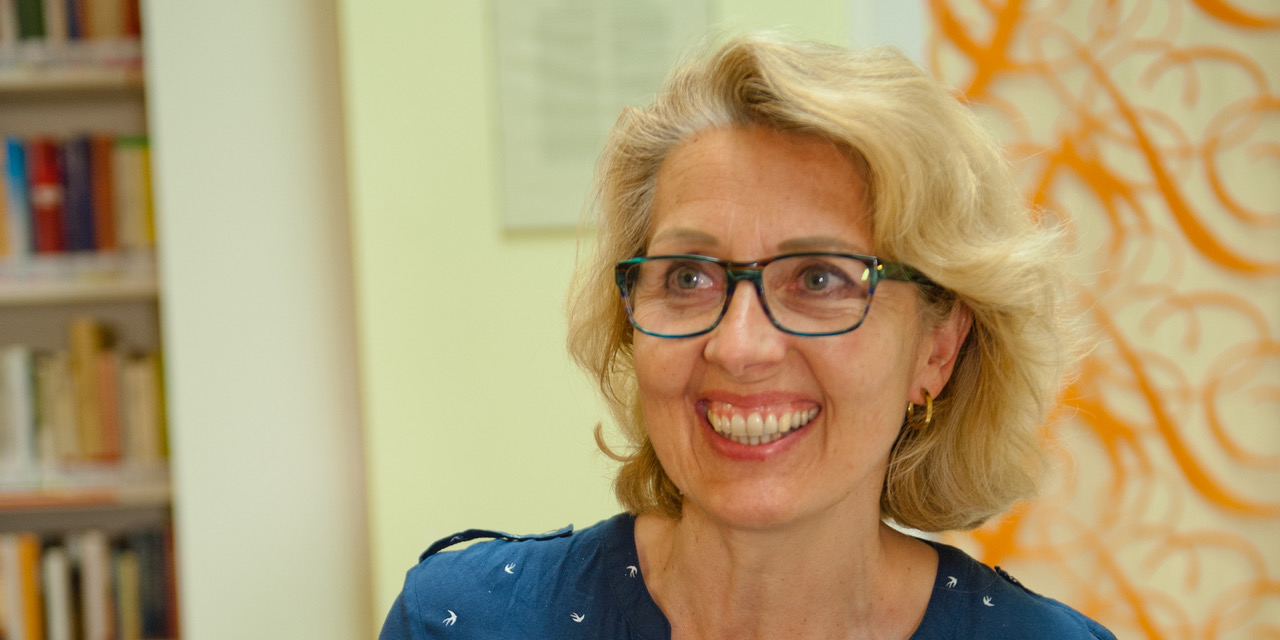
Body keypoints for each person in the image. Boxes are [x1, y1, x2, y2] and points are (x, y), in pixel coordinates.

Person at [379, 33, 1114, 639]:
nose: (738, 347)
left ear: (938, 348)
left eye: (819, 278)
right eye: (688, 277)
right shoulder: (462, 622)